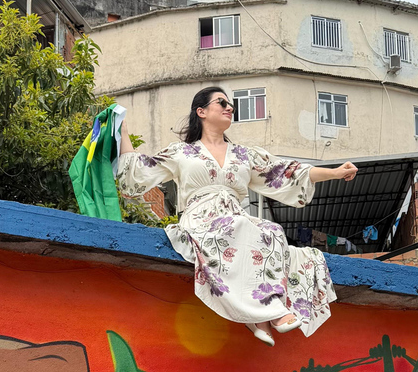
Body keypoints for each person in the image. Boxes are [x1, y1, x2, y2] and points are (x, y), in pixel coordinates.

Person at [116, 87, 358, 347]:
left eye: (231, 104)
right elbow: (139, 172)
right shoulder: (182, 153)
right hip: (200, 219)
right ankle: (271, 314)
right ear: (202, 112)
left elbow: (287, 173)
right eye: (222, 102)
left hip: (234, 218)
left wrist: (333, 172)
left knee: (272, 230)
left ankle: (261, 314)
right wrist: (123, 132)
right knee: (241, 225)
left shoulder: (244, 156)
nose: (230, 107)